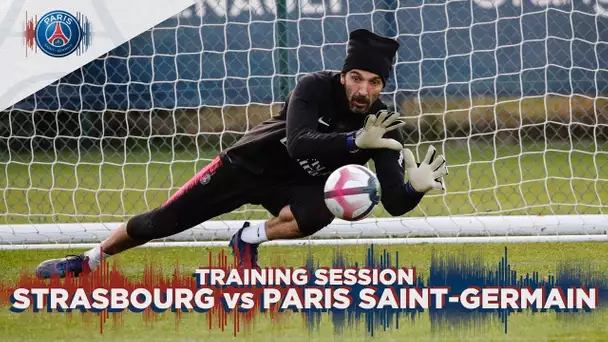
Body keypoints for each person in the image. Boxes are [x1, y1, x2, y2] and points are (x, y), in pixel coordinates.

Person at [35, 28, 448, 277]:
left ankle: (248, 239)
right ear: (343, 75)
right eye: (356, 77)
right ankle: (89, 260)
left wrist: (414, 189)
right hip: (248, 163)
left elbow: (392, 203)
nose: (363, 90)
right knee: (159, 223)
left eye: (374, 82)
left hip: (297, 185)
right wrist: (353, 143)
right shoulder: (313, 87)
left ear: (382, 85)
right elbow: (302, 140)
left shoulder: (385, 122)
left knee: (324, 208)